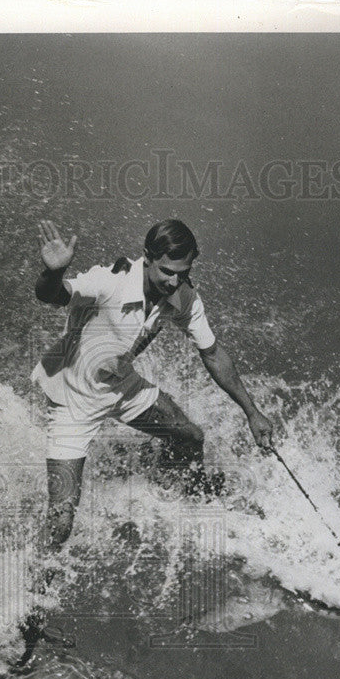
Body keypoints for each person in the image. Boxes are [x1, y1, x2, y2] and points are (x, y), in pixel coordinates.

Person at [31, 218, 274, 553]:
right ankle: (30, 595)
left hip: (121, 387)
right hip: (73, 399)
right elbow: (53, 295)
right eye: (167, 272)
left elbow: (213, 353)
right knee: (61, 522)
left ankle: (181, 500)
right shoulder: (109, 282)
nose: (174, 282)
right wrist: (54, 272)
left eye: (183, 272)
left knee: (190, 437)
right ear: (147, 257)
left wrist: (252, 413)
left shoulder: (183, 296)